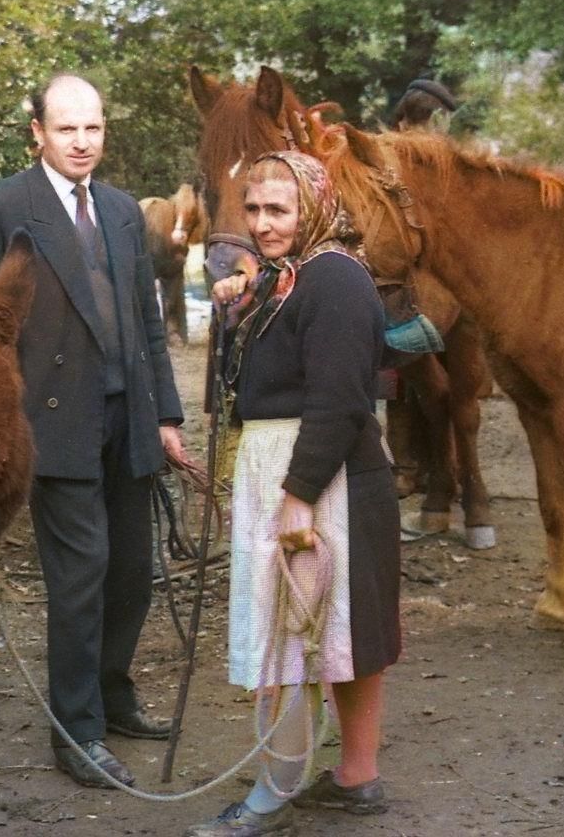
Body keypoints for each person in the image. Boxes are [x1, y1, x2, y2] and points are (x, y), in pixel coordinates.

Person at [0, 73, 189, 789]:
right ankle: (75, 734)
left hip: (128, 419)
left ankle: (111, 697)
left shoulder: (118, 210)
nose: (82, 142)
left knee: (133, 576)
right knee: (81, 578)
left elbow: (146, 322)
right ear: (37, 134)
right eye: (67, 129)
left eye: (93, 128)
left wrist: (166, 414)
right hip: (50, 422)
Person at [188, 152, 400, 837]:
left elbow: (339, 399)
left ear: (311, 207)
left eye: (277, 210)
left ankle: (273, 794)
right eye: (252, 210)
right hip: (287, 465)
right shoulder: (286, 279)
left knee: (294, 635)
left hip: (318, 471)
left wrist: (298, 495)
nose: (262, 223)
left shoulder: (334, 279)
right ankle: (353, 777)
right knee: (334, 635)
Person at [388, 78, 459, 131]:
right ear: (436, 118)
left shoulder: (381, 146)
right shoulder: (438, 149)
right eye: (448, 119)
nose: (448, 126)